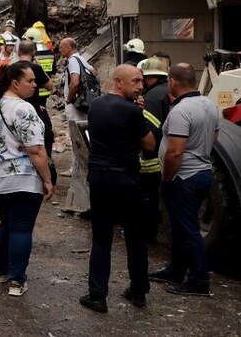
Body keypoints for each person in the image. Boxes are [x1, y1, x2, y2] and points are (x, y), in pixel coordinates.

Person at [0, 60, 54, 296]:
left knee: (7, 224)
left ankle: (0, 271)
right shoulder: (23, 108)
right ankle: (17, 280)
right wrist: (47, 179)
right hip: (22, 179)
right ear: (15, 83)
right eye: (30, 81)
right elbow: (36, 150)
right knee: (21, 228)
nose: (35, 85)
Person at [79, 64, 155, 313]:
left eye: (141, 81)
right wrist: (139, 116)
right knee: (135, 236)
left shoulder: (97, 105)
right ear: (119, 82)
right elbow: (149, 145)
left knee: (101, 238)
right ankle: (138, 291)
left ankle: (97, 295)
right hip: (126, 179)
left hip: (100, 177)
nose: (140, 86)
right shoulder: (132, 112)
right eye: (135, 82)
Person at [150, 63, 219, 297]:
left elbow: (175, 152)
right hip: (201, 172)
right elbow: (215, 137)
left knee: (188, 229)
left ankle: (198, 281)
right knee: (180, 226)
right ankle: (175, 270)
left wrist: (167, 177)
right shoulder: (209, 104)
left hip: (183, 177)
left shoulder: (181, 111)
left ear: (173, 82)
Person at [138, 57, 171, 244]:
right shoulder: (169, 91)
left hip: (152, 161)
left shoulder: (151, 97)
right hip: (171, 156)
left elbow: (148, 132)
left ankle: (148, 235)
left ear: (149, 78)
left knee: (148, 199)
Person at [16, 39, 55, 159]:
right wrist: (40, 68)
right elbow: (50, 87)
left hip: (15, 110)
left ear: (18, 51)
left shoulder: (11, 68)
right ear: (33, 53)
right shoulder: (36, 69)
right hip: (34, 110)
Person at [60, 37, 96, 125]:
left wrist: (69, 99)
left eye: (61, 47)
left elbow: (75, 83)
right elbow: (94, 72)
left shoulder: (73, 60)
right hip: (83, 101)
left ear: (69, 48)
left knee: (76, 132)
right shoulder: (81, 59)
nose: (60, 50)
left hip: (75, 103)